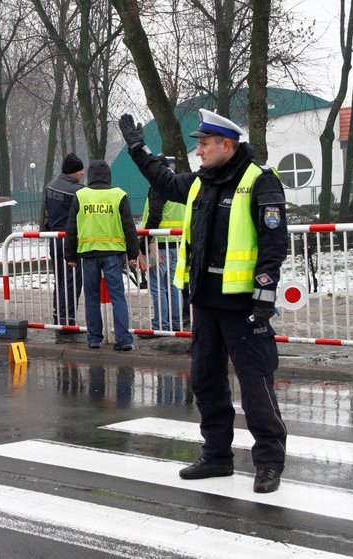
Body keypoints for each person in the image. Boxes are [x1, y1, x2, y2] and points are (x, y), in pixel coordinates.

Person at [119, 108, 288, 493]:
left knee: (256, 384)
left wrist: (264, 291)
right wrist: (136, 149)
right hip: (205, 303)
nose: (199, 152)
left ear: (226, 145)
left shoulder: (259, 181)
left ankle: (268, 463)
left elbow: (274, 242)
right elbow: (161, 178)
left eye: (205, 145)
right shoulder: (201, 182)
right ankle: (217, 456)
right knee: (206, 381)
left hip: (244, 306)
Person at [64, 159, 139, 352]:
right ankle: (123, 340)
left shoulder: (81, 196)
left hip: (88, 254)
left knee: (91, 297)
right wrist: (133, 254)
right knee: (118, 297)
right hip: (113, 254)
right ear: (108, 175)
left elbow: (71, 228)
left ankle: (94, 338)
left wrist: (70, 255)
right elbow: (129, 227)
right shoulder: (118, 195)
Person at [42, 153, 85, 340]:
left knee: (60, 278)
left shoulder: (50, 186)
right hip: (71, 241)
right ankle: (67, 321)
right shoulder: (78, 192)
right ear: (72, 172)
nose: (82, 173)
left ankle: (58, 316)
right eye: (80, 170)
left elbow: (45, 215)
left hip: (54, 238)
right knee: (72, 280)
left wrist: (46, 230)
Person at [140, 155, 185, 333]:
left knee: (158, 287)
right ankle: (176, 323)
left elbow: (155, 216)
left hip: (157, 245)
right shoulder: (179, 184)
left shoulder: (160, 186)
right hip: (176, 244)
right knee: (173, 286)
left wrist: (144, 243)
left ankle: (161, 325)